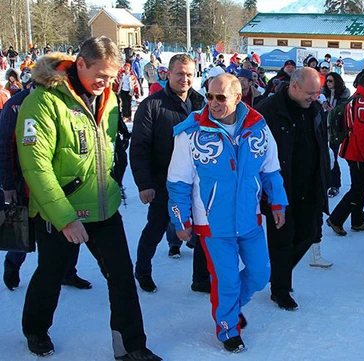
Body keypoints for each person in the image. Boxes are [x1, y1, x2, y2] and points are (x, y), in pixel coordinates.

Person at [16, 37, 161, 360]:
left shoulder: (108, 98)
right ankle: (36, 329)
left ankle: (131, 347)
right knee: (51, 274)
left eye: (112, 77)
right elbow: (35, 167)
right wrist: (65, 218)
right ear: (80, 63)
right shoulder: (42, 102)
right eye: (101, 75)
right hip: (60, 211)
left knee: (122, 278)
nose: (107, 83)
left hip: (104, 206)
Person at [167, 73, 287, 352]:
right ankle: (228, 329)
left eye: (220, 97)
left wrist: (278, 203)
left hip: (250, 218)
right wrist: (180, 221)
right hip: (213, 223)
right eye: (209, 96)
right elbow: (178, 183)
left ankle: (230, 306)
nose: (213, 103)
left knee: (260, 273)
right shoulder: (191, 131)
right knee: (227, 280)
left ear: (237, 97)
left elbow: (271, 169)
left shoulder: (258, 126)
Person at [1, 74, 92, 291]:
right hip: (25, 184)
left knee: (70, 225)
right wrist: (8, 186)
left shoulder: (67, 101)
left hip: (62, 183)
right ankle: (13, 264)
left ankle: (69, 272)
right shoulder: (17, 105)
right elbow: (5, 148)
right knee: (27, 231)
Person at [130, 54, 208, 293]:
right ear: (168, 74)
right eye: (180, 74)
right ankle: (142, 270)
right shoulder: (152, 105)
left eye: (189, 74)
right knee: (156, 227)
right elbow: (139, 147)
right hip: (163, 180)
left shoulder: (200, 103)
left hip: (195, 180)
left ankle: (201, 279)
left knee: (203, 229)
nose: (185, 79)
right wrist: (144, 184)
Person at [257, 68, 330, 309]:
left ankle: (278, 270)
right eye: (311, 92)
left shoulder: (315, 110)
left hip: (310, 185)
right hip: (280, 188)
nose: (314, 97)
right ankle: (280, 289)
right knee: (282, 240)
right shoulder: (268, 110)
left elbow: (322, 147)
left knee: (309, 233)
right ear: (294, 86)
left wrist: (327, 176)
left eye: (318, 93)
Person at [326, 73, 364, 236]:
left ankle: (358, 220)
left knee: (361, 187)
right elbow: (360, 131)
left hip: (356, 150)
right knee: (359, 188)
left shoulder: (362, 99)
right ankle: (336, 219)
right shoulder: (362, 102)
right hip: (357, 152)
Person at [321, 72, 350, 198]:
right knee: (324, 155)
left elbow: (343, 111)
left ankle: (335, 184)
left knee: (332, 156)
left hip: (335, 130)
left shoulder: (343, 94)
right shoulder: (323, 94)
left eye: (331, 81)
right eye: (327, 81)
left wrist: (333, 111)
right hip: (323, 127)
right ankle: (325, 182)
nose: (328, 83)